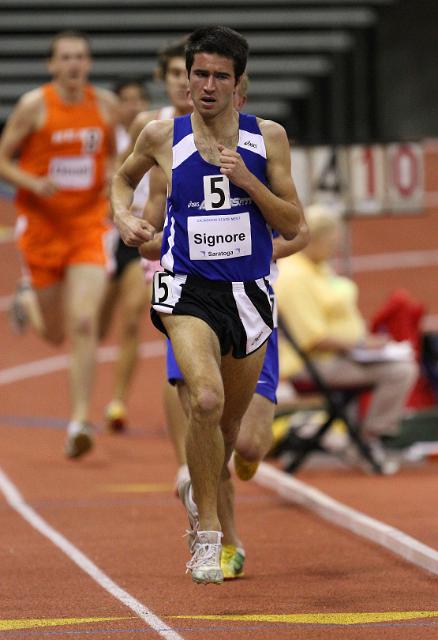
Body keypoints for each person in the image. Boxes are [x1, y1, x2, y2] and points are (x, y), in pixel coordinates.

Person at [111, 26, 304, 584]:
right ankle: (209, 537)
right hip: (186, 289)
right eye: (201, 74)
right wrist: (124, 218)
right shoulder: (158, 135)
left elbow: (294, 223)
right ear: (189, 79)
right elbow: (121, 184)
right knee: (206, 399)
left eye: (221, 75)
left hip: (248, 296)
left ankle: (198, 486)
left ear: (239, 84)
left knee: (230, 431)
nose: (209, 85)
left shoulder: (267, 139)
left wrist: (249, 182)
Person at [0, 30, 119, 458]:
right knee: (53, 333)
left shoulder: (103, 105)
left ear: (88, 63)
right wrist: (33, 182)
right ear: (52, 65)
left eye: (80, 57)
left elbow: (111, 154)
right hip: (43, 228)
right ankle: (28, 298)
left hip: (88, 225)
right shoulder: (35, 106)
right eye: (65, 58)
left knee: (83, 322)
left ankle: (79, 421)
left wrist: (109, 176)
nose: (73, 65)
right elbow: (2, 157)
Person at [275, 203, 418, 470]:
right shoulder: (294, 276)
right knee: (401, 370)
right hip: (312, 364)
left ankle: (359, 441)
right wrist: (362, 345)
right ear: (313, 239)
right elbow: (312, 338)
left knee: (397, 364)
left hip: (340, 356)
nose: (336, 247)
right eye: (332, 241)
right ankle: (368, 439)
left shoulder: (316, 266)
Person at [100, 40, 193, 432]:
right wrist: (124, 215)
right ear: (163, 78)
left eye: (189, 73)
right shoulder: (150, 126)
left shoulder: (226, 125)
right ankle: (122, 400)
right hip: (151, 242)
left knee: (196, 346)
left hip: (204, 245)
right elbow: (120, 179)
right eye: (174, 74)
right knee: (172, 337)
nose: (184, 82)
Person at [98, 77, 151, 431]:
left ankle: (117, 400)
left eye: (138, 99)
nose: (133, 106)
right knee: (95, 326)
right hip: (104, 237)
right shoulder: (105, 138)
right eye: (126, 100)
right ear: (116, 106)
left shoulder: (154, 133)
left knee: (132, 319)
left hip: (139, 235)